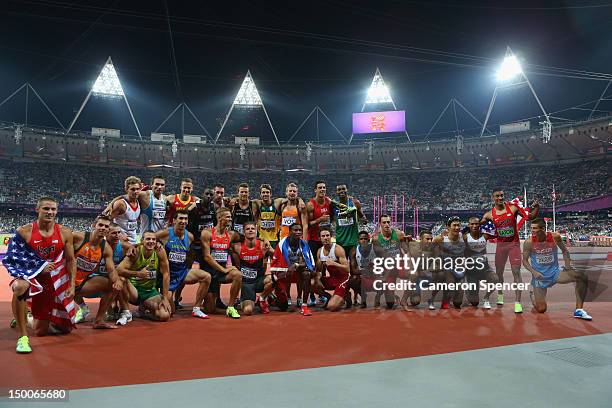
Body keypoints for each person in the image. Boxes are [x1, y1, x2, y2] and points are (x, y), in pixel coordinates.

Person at [5, 197, 76, 353]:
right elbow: (13, 259)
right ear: (37, 210)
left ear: (57, 211)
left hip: (53, 280)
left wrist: (71, 285)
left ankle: (26, 316)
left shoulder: (65, 232)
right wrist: (39, 267)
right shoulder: (24, 232)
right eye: (46, 208)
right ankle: (23, 338)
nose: (50, 212)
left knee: (50, 330)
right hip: (30, 276)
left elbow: (71, 260)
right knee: (19, 287)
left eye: (53, 209)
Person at [481, 187, 539, 313]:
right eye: (497, 196)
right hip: (501, 246)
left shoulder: (513, 208)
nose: (500, 198)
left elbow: (530, 217)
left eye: (502, 195)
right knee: (499, 274)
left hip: (513, 245)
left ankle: (517, 302)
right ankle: (500, 294)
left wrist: (536, 207)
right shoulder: (489, 215)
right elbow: (479, 229)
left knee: (516, 272)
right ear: (493, 198)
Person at [522, 218, 591, 320]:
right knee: (541, 309)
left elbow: (565, 251)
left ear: (543, 228)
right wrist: (534, 272)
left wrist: (567, 267)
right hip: (539, 278)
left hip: (555, 274)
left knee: (582, 277)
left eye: (535, 228)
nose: (532, 231)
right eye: (531, 228)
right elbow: (524, 261)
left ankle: (579, 310)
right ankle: (533, 295)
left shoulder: (555, 237)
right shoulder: (529, 242)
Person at [155, 210, 212, 319]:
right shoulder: (166, 233)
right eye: (180, 218)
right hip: (168, 275)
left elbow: (189, 255)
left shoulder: (189, 236)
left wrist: (188, 267)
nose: (183, 221)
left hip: (182, 272)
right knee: (170, 312)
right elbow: (148, 237)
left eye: (185, 219)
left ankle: (196, 308)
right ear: (174, 220)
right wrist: (156, 243)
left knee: (206, 276)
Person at [72, 215, 123, 328]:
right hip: (65, 281)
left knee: (113, 285)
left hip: (82, 283)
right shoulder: (78, 237)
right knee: (51, 327)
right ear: (94, 225)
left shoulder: (106, 248)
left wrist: (117, 281)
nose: (103, 228)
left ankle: (99, 320)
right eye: (100, 225)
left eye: (106, 226)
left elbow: (111, 270)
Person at [116, 230, 171, 322]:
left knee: (164, 315)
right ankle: (125, 311)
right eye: (148, 239)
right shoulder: (135, 252)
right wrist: (138, 274)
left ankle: (144, 310)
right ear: (142, 241)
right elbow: (118, 270)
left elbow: (166, 274)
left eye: (153, 239)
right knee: (121, 278)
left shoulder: (160, 251)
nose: (151, 241)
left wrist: (165, 298)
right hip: (133, 290)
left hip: (149, 291)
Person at [200, 207, 242, 319]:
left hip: (222, 272)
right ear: (219, 217)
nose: (230, 219)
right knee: (210, 309)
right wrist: (223, 269)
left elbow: (248, 238)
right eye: (228, 217)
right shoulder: (207, 233)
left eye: (230, 217)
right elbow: (207, 257)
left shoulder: (231, 235)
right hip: (209, 273)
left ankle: (231, 307)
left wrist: (263, 240)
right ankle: (211, 297)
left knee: (238, 275)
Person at [268, 223, 316, 316]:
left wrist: (296, 265)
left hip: (297, 272)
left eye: (299, 230)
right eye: (295, 230)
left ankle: (304, 305)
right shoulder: (282, 245)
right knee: (283, 307)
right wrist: (287, 270)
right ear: (289, 232)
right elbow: (275, 266)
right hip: (285, 273)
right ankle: (275, 297)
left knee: (307, 274)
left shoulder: (304, 244)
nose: (298, 232)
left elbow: (308, 263)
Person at [230, 221, 274, 315]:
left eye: (252, 229)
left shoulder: (263, 245)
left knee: (273, 279)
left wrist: (268, 244)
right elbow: (226, 244)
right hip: (246, 284)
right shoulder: (237, 247)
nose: (250, 230)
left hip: (259, 281)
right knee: (248, 311)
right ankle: (246, 300)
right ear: (243, 232)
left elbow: (277, 255)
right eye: (247, 229)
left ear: (256, 231)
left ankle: (261, 299)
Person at [400, 229, 443, 311]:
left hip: (427, 276)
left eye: (431, 239)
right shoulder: (413, 245)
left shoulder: (434, 248)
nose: (430, 241)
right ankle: (403, 300)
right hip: (416, 277)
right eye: (427, 239)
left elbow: (439, 263)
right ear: (420, 239)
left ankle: (432, 299)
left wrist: (428, 271)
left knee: (442, 275)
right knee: (415, 301)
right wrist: (403, 238)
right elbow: (404, 247)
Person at [372, 214, 407, 309]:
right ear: (380, 224)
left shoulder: (399, 234)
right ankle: (392, 296)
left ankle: (404, 299)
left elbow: (406, 250)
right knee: (390, 303)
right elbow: (377, 257)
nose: (387, 224)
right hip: (387, 267)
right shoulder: (375, 239)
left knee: (413, 275)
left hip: (399, 264)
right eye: (384, 222)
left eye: (388, 222)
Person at [432, 217, 466, 310]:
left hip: (459, 270)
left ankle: (451, 297)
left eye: (458, 225)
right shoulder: (441, 238)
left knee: (458, 303)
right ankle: (444, 299)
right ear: (448, 227)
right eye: (454, 225)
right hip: (446, 269)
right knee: (448, 278)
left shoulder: (463, 237)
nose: (456, 227)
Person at [464, 217, 498, 309]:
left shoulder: (485, 236)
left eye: (476, 224)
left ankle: (486, 298)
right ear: (468, 225)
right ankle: (468, 290)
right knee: (474, 302)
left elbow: (498, 233)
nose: (474, 226)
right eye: (472, 224)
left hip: (484, 268)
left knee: (495, 279)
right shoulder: (465, 237)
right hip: (471, 269)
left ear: (479, 225)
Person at [314, 228, 350, 311]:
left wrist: (334, 264)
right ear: (320, 238)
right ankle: (329, 297)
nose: (326, 238)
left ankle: (345, 296)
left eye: (327, 235)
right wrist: (317, 278)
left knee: (332, 307)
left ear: (331, 237)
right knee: (312, 283)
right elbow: (318, 270)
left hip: (343, 279)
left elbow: (347, 269)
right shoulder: (320, 251)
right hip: (333, 279)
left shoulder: (338, 249)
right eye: (323, 236)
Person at [348, 231, 384, 308]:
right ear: (358, 240)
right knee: (352, 280)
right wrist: (366, 271)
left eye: (365, 239)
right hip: (362, 275)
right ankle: (363, 297)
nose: (363, 240)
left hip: (375, 275)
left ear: (368, 240)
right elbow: (353, 270)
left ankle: (377, 297)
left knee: (386, 279)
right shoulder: (354, 251)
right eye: (361, 239)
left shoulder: (376, 249)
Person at [334, 184, 367, 259]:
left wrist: (355, 214)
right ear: (336, 192)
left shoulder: (355, 203)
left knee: (353, 264)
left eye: (343, 189)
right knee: (342, 265)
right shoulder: (334, 205)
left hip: (353, 240)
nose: (341, 191)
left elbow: (364, 220)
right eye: (339, 190)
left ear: (346, 190)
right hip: (340, 241)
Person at [306, 180, 333, 263]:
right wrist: (320, 219)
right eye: (320, 188)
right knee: (315, 262)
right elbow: (308, 224)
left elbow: (332, 218)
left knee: (326, 262)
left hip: (325, 239)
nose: (322, 189)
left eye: (324, 188)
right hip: (313, 239)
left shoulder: (329, 202)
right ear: (315, 190)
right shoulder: (311, 205)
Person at [109, 176, 142, 244]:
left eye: (137, 189)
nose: (135, 191)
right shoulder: (121, 204)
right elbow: (108, 221)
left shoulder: (139, 201)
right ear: (126, 189)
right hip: (120, 242)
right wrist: (119, 233)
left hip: (133, 241)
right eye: (132, 189)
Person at [255, 184, 280, 249]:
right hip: (261, 238)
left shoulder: (276, 203)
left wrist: (299, 199)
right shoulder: (257, 204)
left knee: (273, 258)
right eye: (263, 192)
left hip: (274, 239)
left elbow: (289, 198)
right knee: (262, 258)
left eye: (267, 192)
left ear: (271, 194)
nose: (265, 194)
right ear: (260, 194)